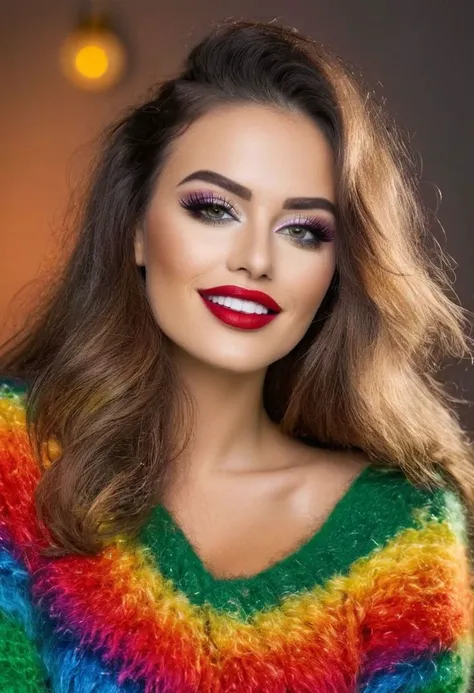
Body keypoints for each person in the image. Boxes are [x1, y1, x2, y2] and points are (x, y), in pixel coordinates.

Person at [0, 17, 473, 692]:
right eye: (215, 208)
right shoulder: (16, 456)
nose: (255, 259)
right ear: (136, 228)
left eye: (303, 230)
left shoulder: (404, 532)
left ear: (339, 267)